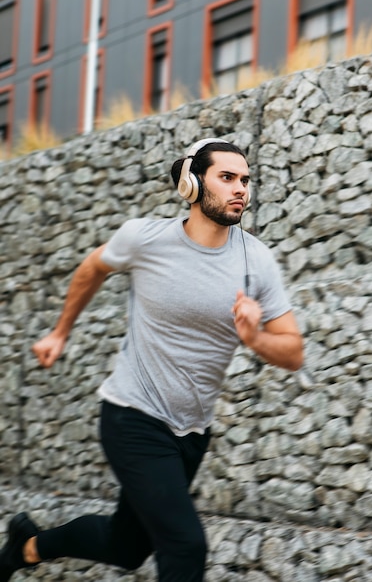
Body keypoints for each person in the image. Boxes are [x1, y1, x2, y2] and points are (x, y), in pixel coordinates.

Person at [0, 138, 303, 582]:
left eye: (246, 180)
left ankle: (25, 548)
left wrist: (254, 337)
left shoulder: (256, 260)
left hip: (191, 433)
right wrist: (60, 332)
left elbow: (293, 352)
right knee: (185, 545)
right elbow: (92, 269)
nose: (241, 189)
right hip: (132, 416)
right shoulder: (145, 239)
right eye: (227, 178)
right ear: (191, 185)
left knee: (125, 547)